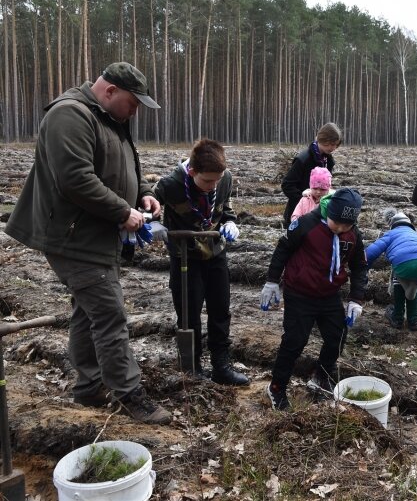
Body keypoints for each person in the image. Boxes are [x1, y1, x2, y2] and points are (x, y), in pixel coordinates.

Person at [4, 62, 171, 424]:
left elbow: (120, 167)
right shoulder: (70, 116)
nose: (136, 110)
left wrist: (142, 193)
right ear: (110, 91)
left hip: (95, 237)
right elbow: (76, 179)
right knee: (110, 314)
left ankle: (88, 388)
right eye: (133, 102)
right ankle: (130, 394)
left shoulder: (110, 119)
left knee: (87, 311)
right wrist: (121, 212)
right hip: (72, 237)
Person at [153, 138, 249, 386]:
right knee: (188, 313)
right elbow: (148, 205)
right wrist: (153, 222)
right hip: (185, 257)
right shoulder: (171, 185)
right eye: (207, 180)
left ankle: (221, 366)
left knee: (220, 310)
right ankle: (191, 368)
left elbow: (225, 206)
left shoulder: (223, 178)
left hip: (216, 253)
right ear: (193, 171)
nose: (213, 185)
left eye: (217, 179)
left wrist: (230, 221)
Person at [261, 188, 368, 411]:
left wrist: (356, 299)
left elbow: (359, 267)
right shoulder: (306, 224)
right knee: (294, 342)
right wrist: (272, 281)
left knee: (336, 338)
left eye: (345, 225)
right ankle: (277, 388)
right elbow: (283, 249)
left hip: (329, 295)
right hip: (300, 293)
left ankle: (321, 376)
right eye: (336, 222)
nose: (339, 228)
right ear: (329, 212)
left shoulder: (353, 235)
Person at [366, 209, 417, 330]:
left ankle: (397, 317)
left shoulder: (391, 234)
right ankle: (413, 320)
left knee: (399, 279)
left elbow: (371, 253)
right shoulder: (416, 235)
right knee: (414, 282)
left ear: (392, 225)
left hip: (404, 263)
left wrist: (362, 267)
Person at [281, 122, 342, 228]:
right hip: (298, 214)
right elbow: (287, 185)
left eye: (336, 145)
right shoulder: (303, 159)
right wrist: (305, 200)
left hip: (319, 214)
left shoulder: (328, 160)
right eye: (331, 144)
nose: (334, 148)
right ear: (322, 139)